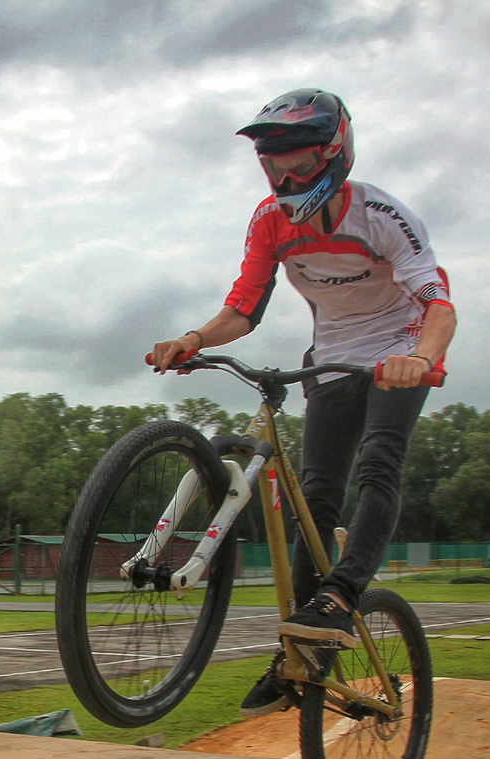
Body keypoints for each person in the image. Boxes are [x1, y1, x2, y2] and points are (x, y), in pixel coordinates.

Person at [149, 88, 456, 720]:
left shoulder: (382, 217)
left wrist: (421, 358)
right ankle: (297, 650)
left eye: (300, 163)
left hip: (398, 349)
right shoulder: (270, 222)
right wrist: (193, 340)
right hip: (333, 356)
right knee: (314, 493)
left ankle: (342, 596)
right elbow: (243, 308)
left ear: (336, 154)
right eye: (272, 164)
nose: (285, 177)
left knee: (377, 464)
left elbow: (438, 305)